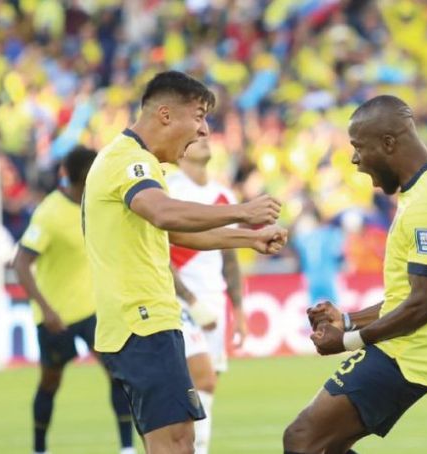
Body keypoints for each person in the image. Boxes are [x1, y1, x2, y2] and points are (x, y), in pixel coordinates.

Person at [82, 70, 287, 454]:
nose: (204, 131)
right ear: (165, 115)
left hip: (147, 321)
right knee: (174, 442)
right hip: (142, 320)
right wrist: (242, 211)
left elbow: (176, 234)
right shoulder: (129, 160)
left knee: (177, 440)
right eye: (198, 116)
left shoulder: (138, 164)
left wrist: (250, 238)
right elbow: (163, 214)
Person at [282, 95, 427, 453]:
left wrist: (348, 341)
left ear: (388, 143)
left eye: (358, 147)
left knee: (302, 440)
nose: (354, 159)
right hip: (410, 349)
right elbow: (411, 296)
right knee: (328, 444)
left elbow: (424, 305)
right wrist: (348, 319)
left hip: (408, 355)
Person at [13, 146, 136, 454]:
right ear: (86, 177)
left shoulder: (97, 204)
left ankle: (127, 448)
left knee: (118, 375)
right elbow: (21, 263)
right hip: (57, 316)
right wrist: (46, 309)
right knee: (50, 382)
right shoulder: (49, 213)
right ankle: (39, 448)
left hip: (94, 310)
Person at [166, 137, 248, 454]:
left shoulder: (223, 195)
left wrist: (238, 311)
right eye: (195, 137)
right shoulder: (169, 191)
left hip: (215, 299)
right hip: (178, 301)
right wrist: (191, 300)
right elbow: (160, 255)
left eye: (206, 135)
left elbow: (229, 257)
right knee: (203, 380)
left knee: (204, 390)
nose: (203, 139)